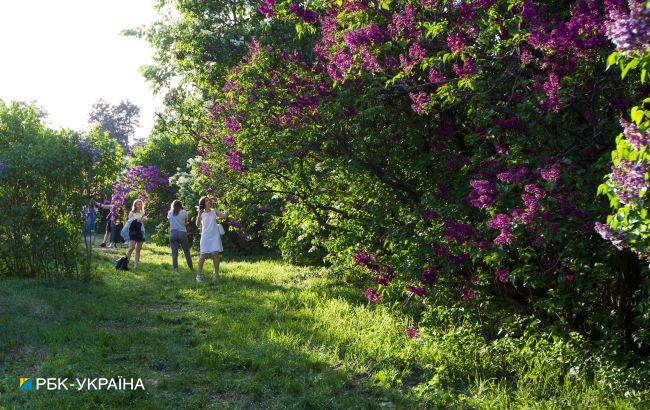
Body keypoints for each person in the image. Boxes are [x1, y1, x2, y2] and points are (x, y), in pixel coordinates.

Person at [195, 197, 226, 283]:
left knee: (215, 254)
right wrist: (198, 214)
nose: (209, 202)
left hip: (214, 236)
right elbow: (197, 225)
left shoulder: (214, 211)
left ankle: (216, 274)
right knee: (203, 256)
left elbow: (224, 216)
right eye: (207, 201)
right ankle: (198, 276)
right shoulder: (201, 213)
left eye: (209, 200)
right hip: (205, 236)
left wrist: (225, 208)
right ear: (203, 204)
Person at [168, 200, 193, 273]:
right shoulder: (184, 212)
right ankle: (190, 267)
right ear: (180, 205)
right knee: (186, 251)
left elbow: (170, 222)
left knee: (174, 253)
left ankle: (176, 270)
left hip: (173, 233)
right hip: (182, 233)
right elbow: (185, 223)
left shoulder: (170, 212)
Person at [122, 199, 148, 269]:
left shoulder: (143, 213)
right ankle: (125, 264)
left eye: (141, 204)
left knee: (138, 249)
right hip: (133, 232)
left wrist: (144, 219)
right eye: (138, 204)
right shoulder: (131, 213)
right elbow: (130, 222)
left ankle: (136, 265)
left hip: (141, 232)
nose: (140, 206)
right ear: (135, 205)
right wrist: (138, 220)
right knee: (131, 248)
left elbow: (145, 222)